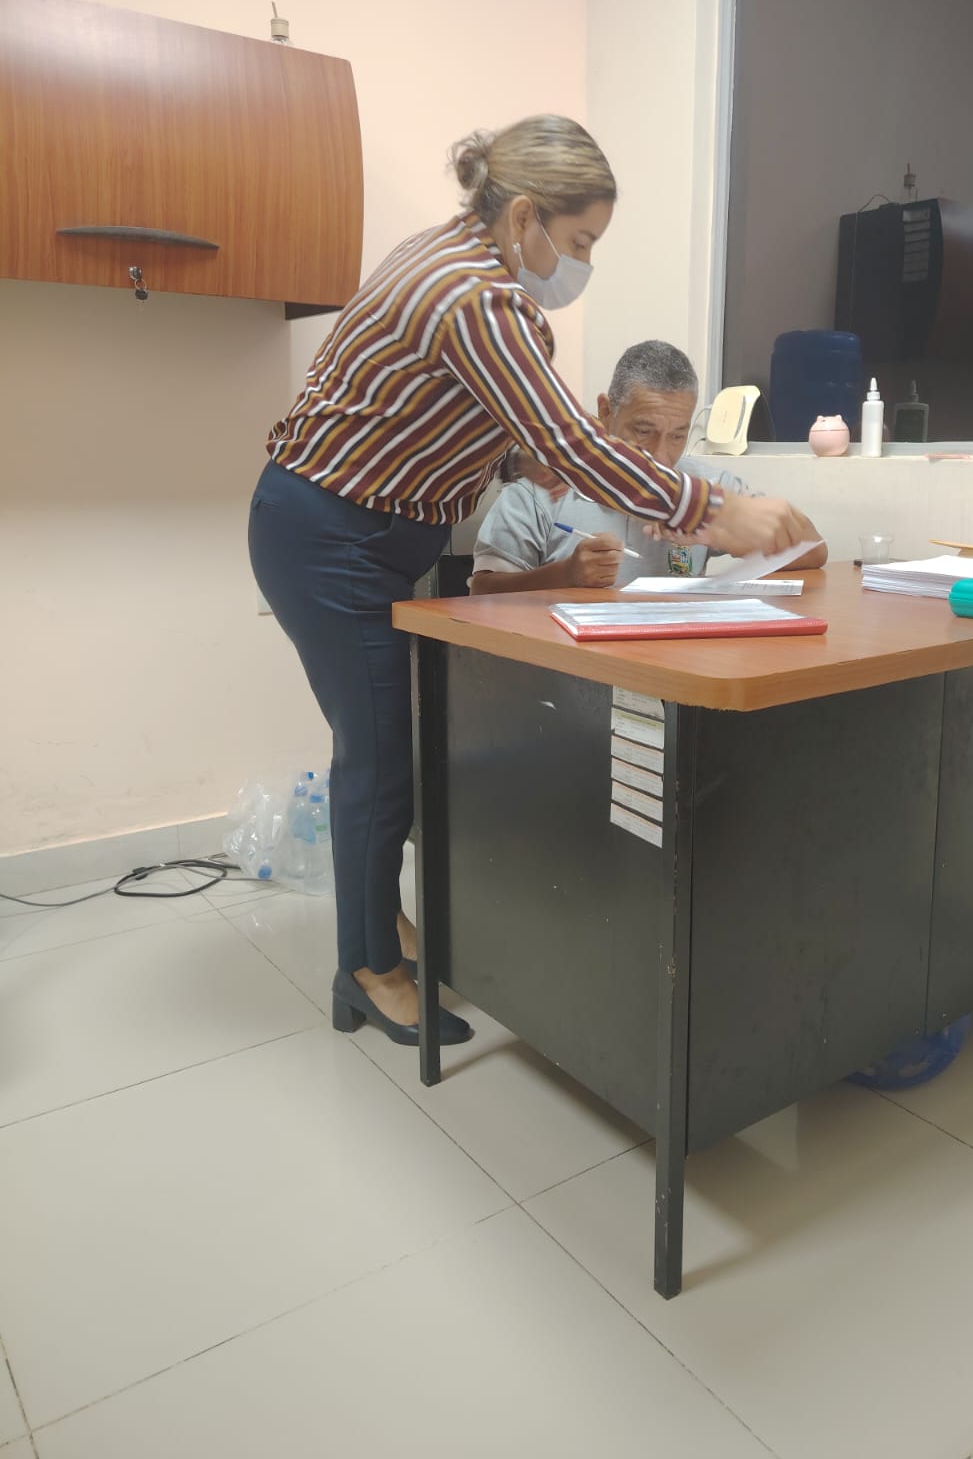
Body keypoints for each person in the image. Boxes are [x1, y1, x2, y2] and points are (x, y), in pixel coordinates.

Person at [248, 114, 813, 1048]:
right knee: (379, 755)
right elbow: (574, 441)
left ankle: (377, 921)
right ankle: (368, 968)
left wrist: (517, 463)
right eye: (580, 241)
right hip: (332, 538)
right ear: (523, 217)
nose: (582, 262)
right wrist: (711, 509)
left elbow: (440, 412)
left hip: (351, 530)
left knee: (385, 746)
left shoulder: (449, 254)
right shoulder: (476, 296)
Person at [471, 339, 826, 592]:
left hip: (674, 664)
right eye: (644, 432)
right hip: (574, 667)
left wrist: (731, 535)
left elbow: (814, 550)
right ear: (606, 412)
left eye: (678, 435)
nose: (661, 457)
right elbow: (482, 591)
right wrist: (565, 575)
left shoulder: (704, 486)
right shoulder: (542, 490)